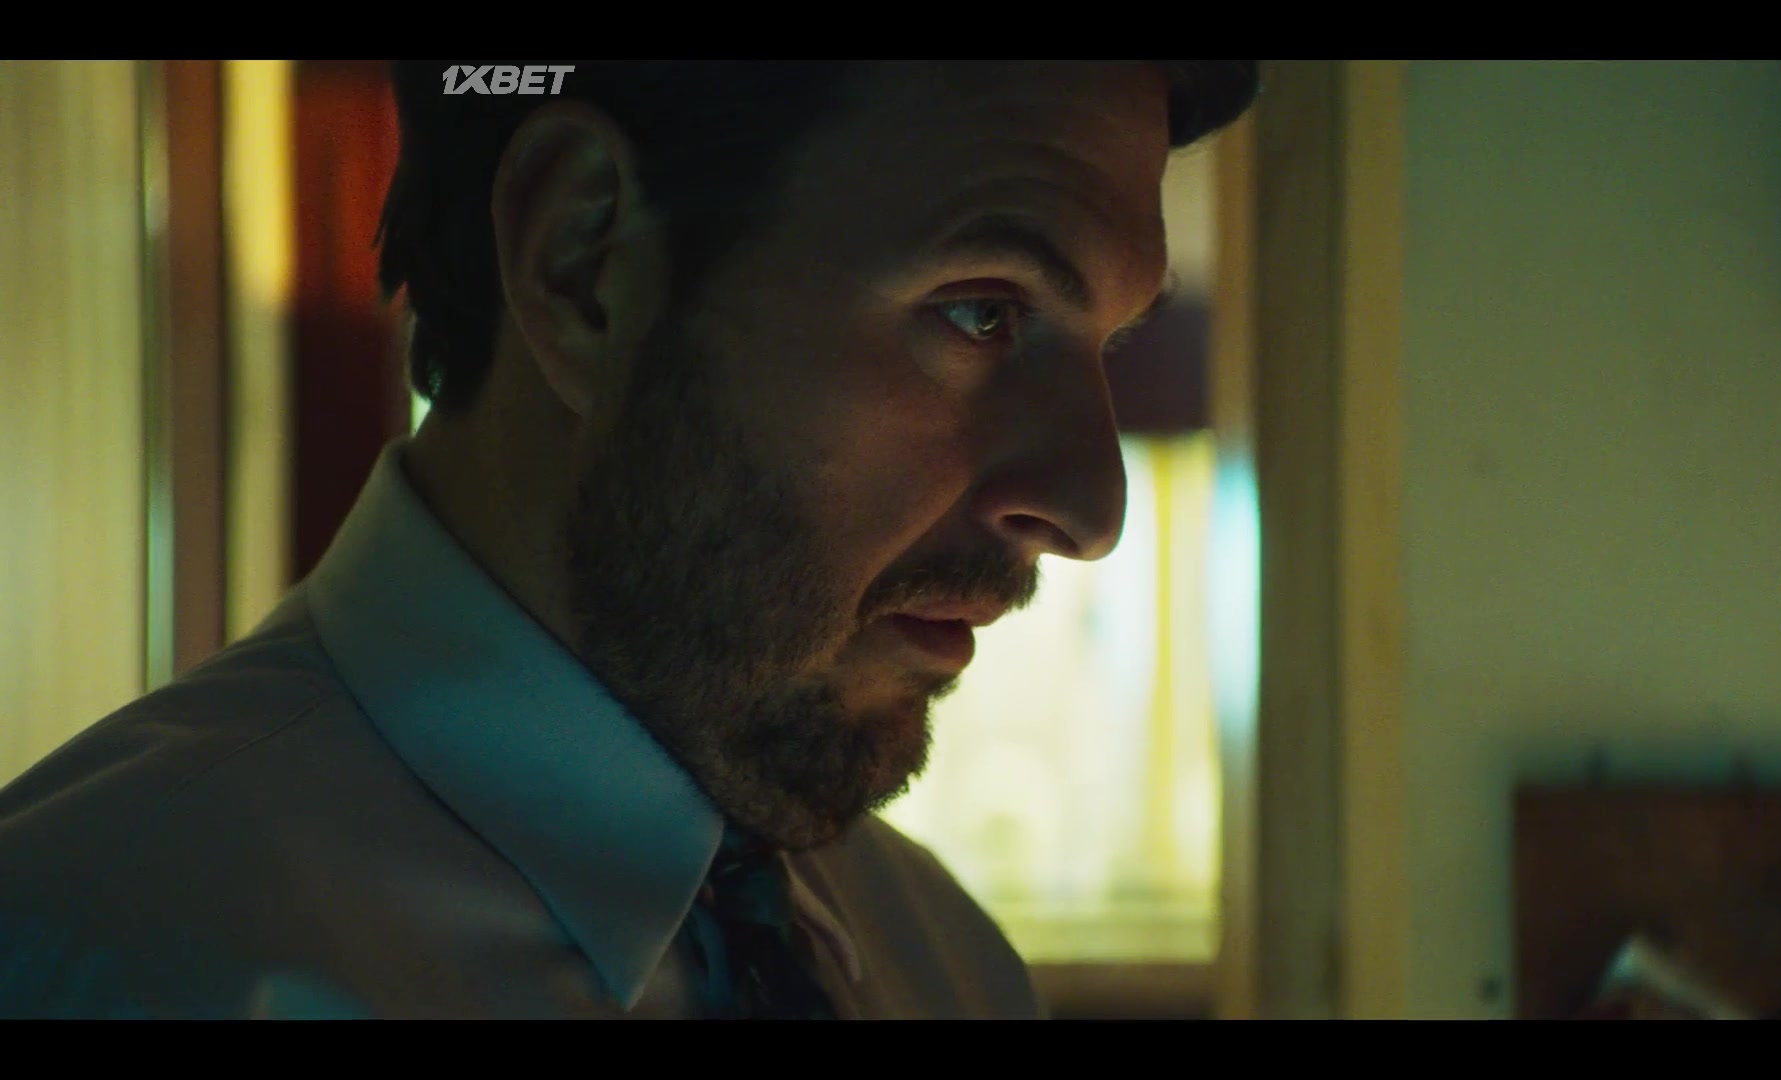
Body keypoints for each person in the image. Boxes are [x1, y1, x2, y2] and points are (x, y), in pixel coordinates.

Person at [0, 60, 1259, 1019]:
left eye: (1110, 342)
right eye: (982, 310)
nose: (1092, 507)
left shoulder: (946, 963)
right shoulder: (93, 953)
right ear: (584, 260)